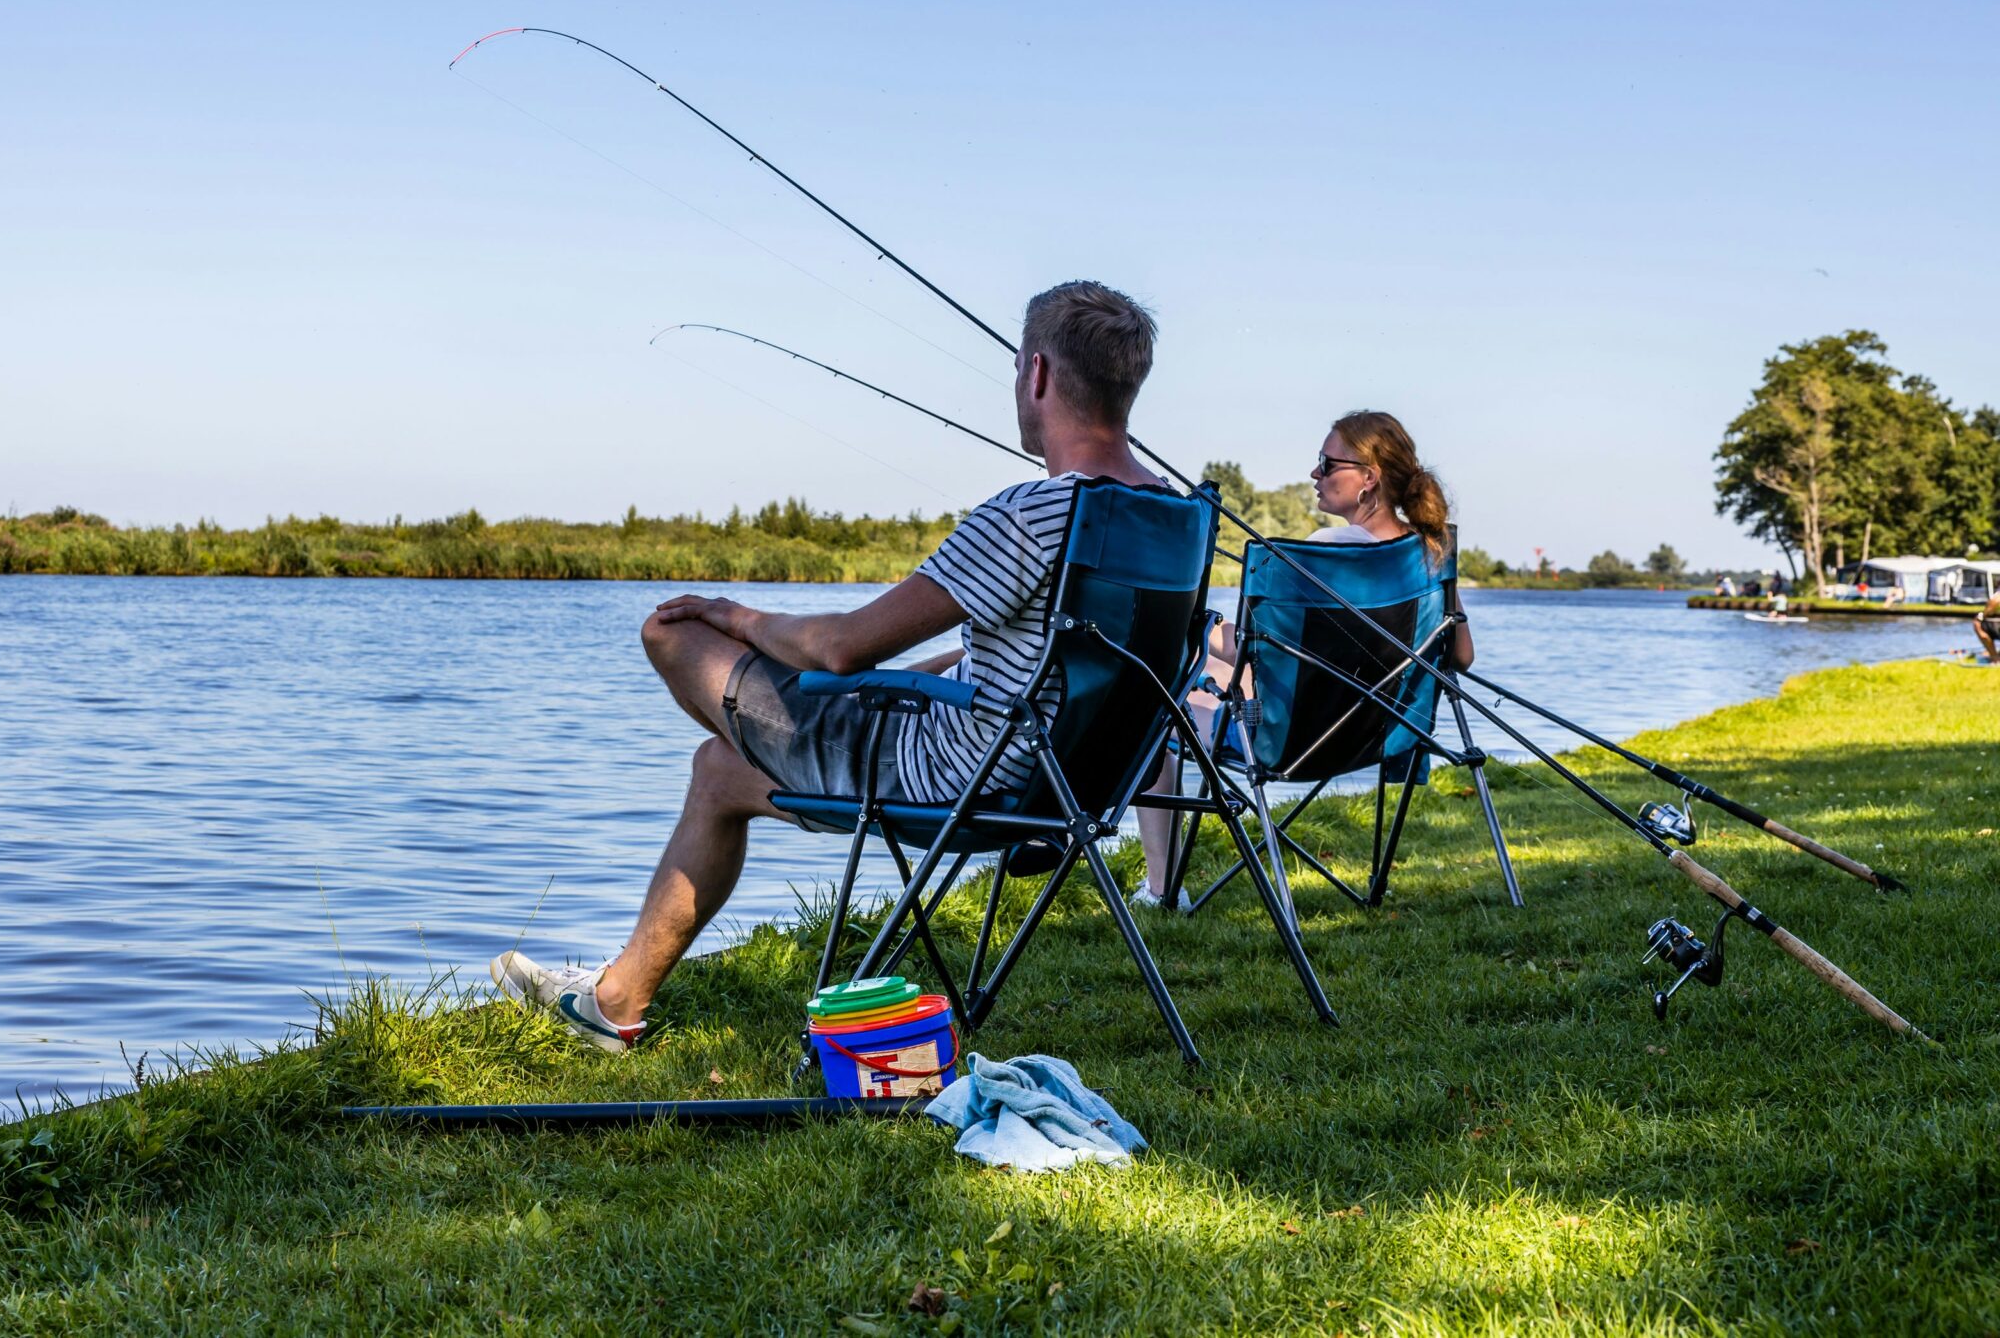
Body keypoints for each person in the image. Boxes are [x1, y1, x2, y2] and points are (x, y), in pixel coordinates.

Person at [490, 281, 1165, 1051]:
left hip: (952, 781)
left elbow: (843, 644)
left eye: (1017, 366)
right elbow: (1061, 665)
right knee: (719, 770)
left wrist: (733, 614)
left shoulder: (1032, 513)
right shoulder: (1169, 516)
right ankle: (614, 1003)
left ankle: (617, 995)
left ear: (1037, 373)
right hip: (1067, 785)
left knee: (671, 633)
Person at [1133, 410, 1471, 905]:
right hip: (1381, 733)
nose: (1315, 473)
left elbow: (1252, 648)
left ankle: (1162, 888)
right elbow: (1461, 654)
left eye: (1327, 464)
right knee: (1204, 667)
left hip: (1292, 740)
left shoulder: (1328, 552)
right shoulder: (1429, 551)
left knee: (1153, 698)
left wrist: (1197, 625)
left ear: (1368, 478)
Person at [1974, 592, 2000, 663]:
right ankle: (1995, 656)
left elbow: (1984, 614)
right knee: (1977, 623)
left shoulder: (1996, 598)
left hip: (1992, 626)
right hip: (1993, 626)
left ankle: (1995, 657)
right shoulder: (1996, 597)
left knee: (1977, 623)